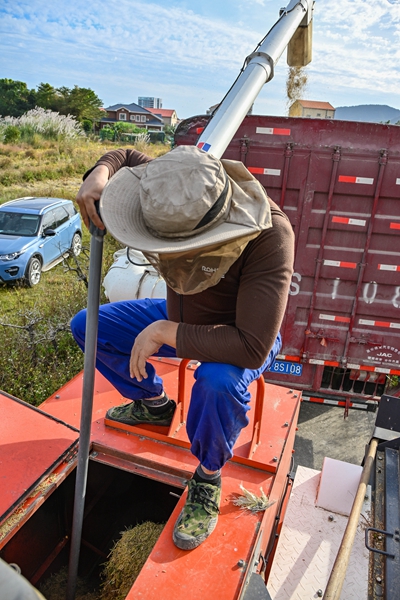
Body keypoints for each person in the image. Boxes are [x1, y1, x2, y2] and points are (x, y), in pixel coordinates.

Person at [72, 144, 294, 551]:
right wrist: (100, 173)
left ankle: (208, 476)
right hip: (178, 318)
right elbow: (126, 156)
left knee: (217, 383)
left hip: (240, 334)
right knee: (88, 326)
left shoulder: (269, 235)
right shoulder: (177, 186)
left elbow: (252, 347)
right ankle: (153, 405)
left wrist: (164, 331)